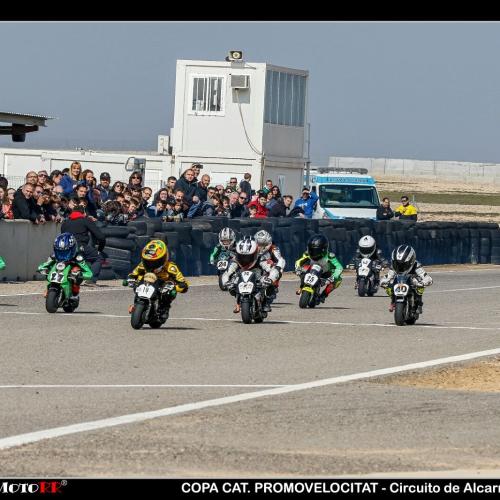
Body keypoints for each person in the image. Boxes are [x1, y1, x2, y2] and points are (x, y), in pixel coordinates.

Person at [125, 239, 189, 322]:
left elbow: (183, 283)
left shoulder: (170, 267)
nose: (151, 265)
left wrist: (175, 288)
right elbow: (133, 274)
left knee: (170, 287)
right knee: (139, 279)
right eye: (147, 262)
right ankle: (137, 303)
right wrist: (130, 279)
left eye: (155, 262)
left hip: (162, 286)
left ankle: (164, 308)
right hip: (147, 283)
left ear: (164, 258)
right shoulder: (142, 265)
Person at [222, 236, 280, 314]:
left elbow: (273, 270)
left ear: (255, 254)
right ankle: (238, 301)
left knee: (270, 284)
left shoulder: (261, 258)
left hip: (258, 277)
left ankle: (266, 303)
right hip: (241, 277)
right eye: (242, 256)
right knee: (231, 285)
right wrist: (226, 282)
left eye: (248, 257)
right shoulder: (235, 260)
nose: (245, 259)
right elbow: (227, 273)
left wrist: (270, 279)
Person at [38, 233, 93, 305]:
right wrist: (43, 269)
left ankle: (74, 295)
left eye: (66, 252)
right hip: (58, 273)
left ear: (73, 249)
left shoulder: (78, 258)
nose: (62, 255)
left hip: (72, 275)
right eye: (59, 252)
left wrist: (80, 274)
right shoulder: (53, 256)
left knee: (76, 269)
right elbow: (43, 265)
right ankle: (48, 289)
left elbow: (89, 273)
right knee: (51, 267)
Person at [61, 204, 106, 285]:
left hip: (65, 249)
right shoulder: (85, 220)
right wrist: (100, 250)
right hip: (79, 247)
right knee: (99, 257)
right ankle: (91, 280)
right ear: (84, 213)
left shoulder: (65, 223)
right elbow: (101, 237)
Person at [380, 244, 433, 314]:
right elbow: (388, 277)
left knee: (418, 280)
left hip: (412, 284)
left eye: (403, 264)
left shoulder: (416, 265)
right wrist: (383, 282)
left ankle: (418, 303)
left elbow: (428, 278)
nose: (400, 267)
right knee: (389, 284)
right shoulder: (393, 267)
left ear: (411, 261)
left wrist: (422, 283)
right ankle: (393, 300)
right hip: (399, 282)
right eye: (397, 264)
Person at [295, 234, 343, 303]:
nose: (313, 253)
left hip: (325, 273)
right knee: (303, 271)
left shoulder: (330, 256)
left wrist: (333, 276)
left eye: (316, 251)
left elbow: (339, 267)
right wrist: (298, 268)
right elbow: (299, 261)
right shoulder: (307, 254)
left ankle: (324, 295)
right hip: (311, 270)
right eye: (311, 250)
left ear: (323, 249)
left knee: (338, 280)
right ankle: (302, 287)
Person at [254, 229, 286, 302]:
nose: (261, 246)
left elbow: (280, 259)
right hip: (256, 266)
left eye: (263, 244)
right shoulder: (252, 248)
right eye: (259, 244)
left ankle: (273, 286)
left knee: (278, 270)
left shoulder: (274, 248)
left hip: (268, 267)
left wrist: (276, 266)